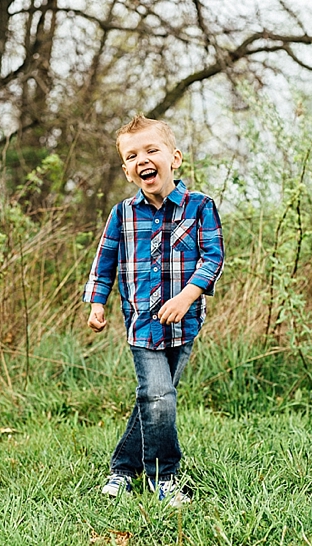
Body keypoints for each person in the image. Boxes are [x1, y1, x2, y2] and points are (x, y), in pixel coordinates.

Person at [82, 115, 224, 507]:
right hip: (142, 325)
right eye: (132, 155)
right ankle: (165, 478)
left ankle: (123, 469)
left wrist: (186, 297)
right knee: (158, 396)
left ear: (174, 158)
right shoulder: (122, 214)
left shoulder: (200, 207)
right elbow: (104, 260)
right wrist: (97, 303)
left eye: (151, 150)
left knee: (155, 397)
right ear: (128, 171)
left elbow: (213, 257)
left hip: (186, 323)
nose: (142, 159)